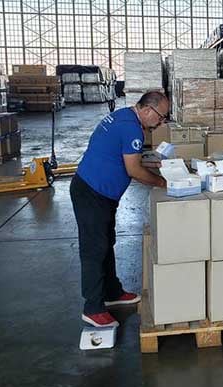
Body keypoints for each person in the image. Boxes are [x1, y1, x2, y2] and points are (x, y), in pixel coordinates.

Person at [70, 91, 170, 327]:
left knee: (106, 241)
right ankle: (93, 307)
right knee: (95, 248)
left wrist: (147, 158)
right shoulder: (132, 129)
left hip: (101, 193)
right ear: (147, 110)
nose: (161, 122)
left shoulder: (124, 116)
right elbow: (133, 170)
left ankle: (112, 292)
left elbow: (124, 153)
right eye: (161, 117)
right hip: (92, 192)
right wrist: (163, 182)